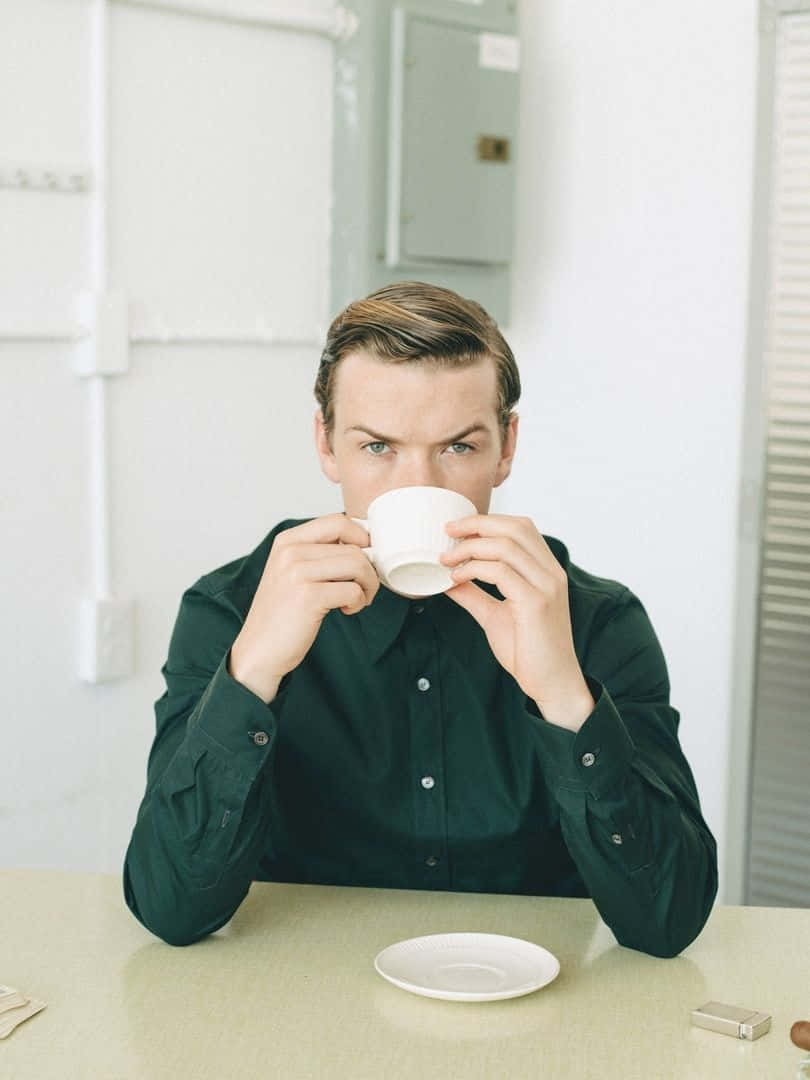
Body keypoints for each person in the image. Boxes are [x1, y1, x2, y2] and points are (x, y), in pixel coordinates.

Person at [123, 280, 718, 955]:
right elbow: (171, 909)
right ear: (326, 444)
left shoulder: (594, 619)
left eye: (458, 448)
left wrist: (563, 695)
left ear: (506, 448)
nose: (420, 487)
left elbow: (668, 922)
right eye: (378, 447)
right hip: (305, 1001)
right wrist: (253, 672)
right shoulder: (232, 609)